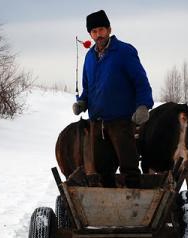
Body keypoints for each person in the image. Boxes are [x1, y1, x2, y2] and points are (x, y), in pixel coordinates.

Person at [72, 10, 154, 188]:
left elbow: (140, 81)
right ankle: (110, 208)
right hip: (98, 124)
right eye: (94, 31)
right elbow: (89, 87)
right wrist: (83, 102)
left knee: (129, 167)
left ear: (109, 29)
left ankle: (134, 208)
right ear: (90, 34)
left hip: (121, 122)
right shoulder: (89, 57)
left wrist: (143, 105)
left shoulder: (124, 51)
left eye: (101, 29)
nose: (98, 34)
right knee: (102, 170)